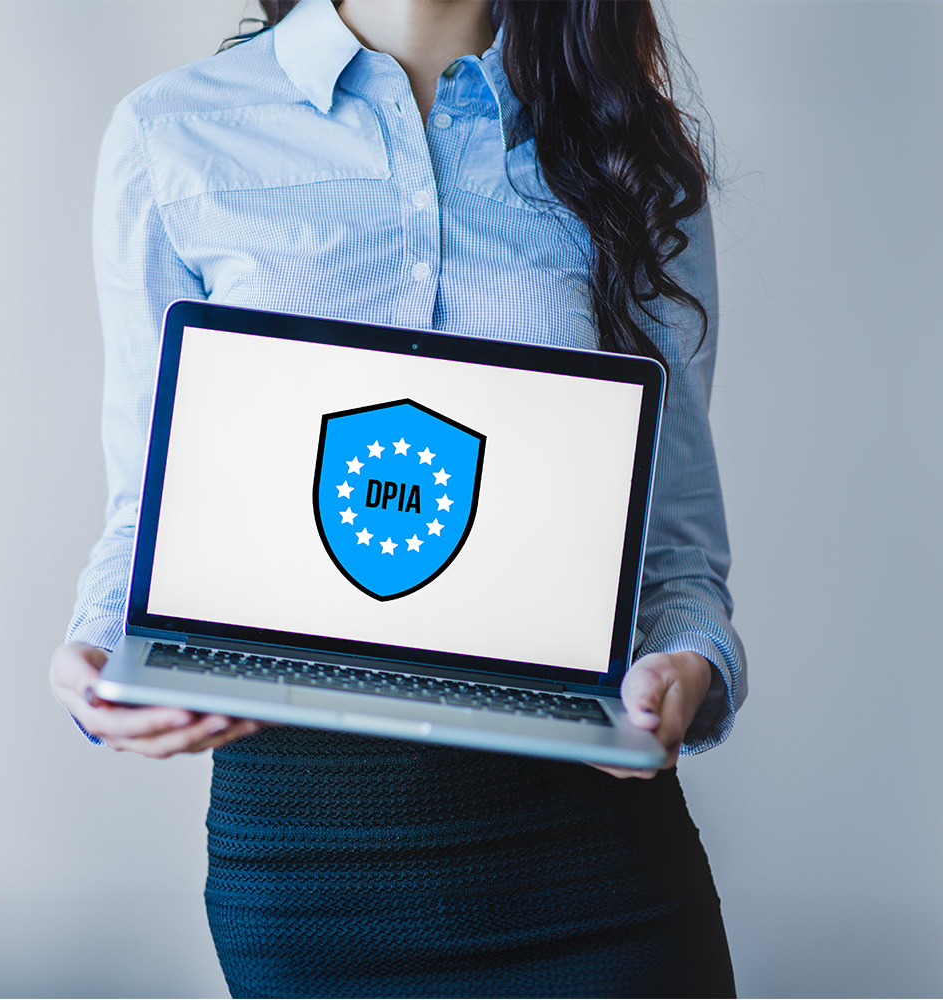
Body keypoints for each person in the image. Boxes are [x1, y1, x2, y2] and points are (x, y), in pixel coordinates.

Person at [50, 0, 747, 995]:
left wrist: (689, 665)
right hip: (303, 866)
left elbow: (675, 550)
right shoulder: (172, 135)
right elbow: (146, 506)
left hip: (589, 864)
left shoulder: (627, 146)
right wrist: (95, 657)